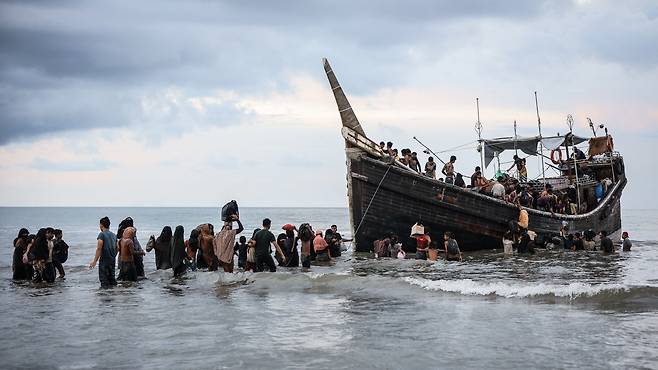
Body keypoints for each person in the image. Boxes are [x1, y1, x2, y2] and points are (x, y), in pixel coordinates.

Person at [89, 217, 118, 288]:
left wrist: (94, 261)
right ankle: (113, 297)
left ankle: (104, 298)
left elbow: (99, 248)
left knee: (104, 281)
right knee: (112, 280)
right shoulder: (114, 235)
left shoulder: (101, 234)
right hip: (112, 261)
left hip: (104, 261)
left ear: (101, 225)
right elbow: (118, 248)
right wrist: (113, 256)